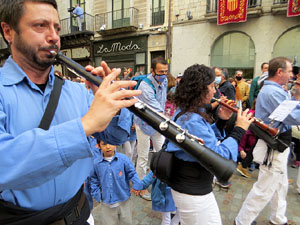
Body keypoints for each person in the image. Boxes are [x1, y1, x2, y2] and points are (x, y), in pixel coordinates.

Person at [0, 0, 141, 224]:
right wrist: (84, 125)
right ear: (8, 31)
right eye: (40, 26)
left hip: (79, 215)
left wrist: (111, 108)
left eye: (56, 28)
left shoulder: (77, 90)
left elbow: (116, 137)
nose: (54, 36)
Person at [165, 64, 253, 225]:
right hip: (192, 189)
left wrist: (221, 121)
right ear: (200, 89)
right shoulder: (191, 119)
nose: (215, 91)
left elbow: (204, 143)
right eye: (212, 86)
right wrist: (239, 129)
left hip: (190, 186)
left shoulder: (188, 112)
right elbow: (218, 156)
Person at [235, 57, 300, 225]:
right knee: (264, 188)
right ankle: (242, 221)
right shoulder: (273, 92)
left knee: (280, 184)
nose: (292, 75)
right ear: (279, 72)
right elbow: (294, 116)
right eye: (290, 71)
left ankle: (278, 218)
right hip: (273, 145)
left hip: (279, 143)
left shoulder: (277, 89)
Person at [134, 57, 168, 200]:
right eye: (161, 72)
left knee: (162, 153)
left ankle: (160, 181)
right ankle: (141, 187)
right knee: (143, 156)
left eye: (166, 71)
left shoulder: (164, 80)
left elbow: (163, 101)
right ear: (152, 71)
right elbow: (158, 111)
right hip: (144, 125)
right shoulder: (145, 86)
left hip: (157, 124)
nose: (164, 74)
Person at [90, 139, 143, 225]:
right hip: (107, 203)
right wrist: (97, 195)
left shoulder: (124, 160)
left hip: (124, 201)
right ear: (99, 146)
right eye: (104, 144)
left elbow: (132, 173)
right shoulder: (96, 164)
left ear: (115, 144)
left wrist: (137, 185)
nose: (108, 147)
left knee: (127, 222)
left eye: (110, 143)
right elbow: (93, 180)